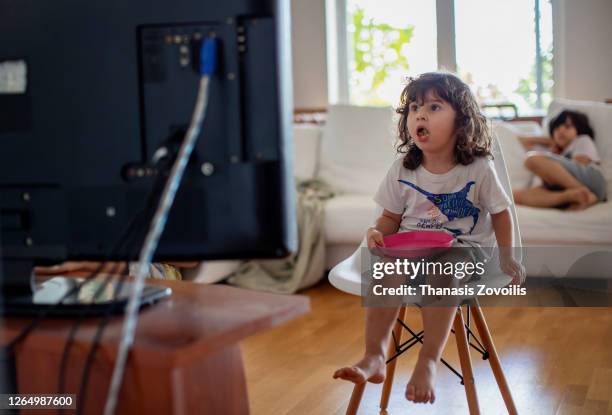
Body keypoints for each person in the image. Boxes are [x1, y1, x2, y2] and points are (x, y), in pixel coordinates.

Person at [332, 72, 525, 405]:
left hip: (464, 251)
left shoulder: (477, 167)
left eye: (434, 107)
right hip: (410, 249)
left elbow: (500, 213)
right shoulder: (402, 168)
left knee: (443, 271)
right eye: (414, 108)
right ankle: (374, 356)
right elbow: (391, 218)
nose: (419, 114)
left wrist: (507, 256)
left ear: (461, 121)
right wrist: (378, 232)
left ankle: (428, 361)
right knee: (384, 271)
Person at [513, 110, 606, 209]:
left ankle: (583, 192)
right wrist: (551, 141)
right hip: (563, 187)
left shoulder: (582, 140)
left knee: (531, 160)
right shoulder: (556, 151)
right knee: (515, 196)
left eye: (567, 126)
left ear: (579, 129)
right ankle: (570, 197)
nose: (561, 131)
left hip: (590, 180)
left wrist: (553, 167)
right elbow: (524, 141)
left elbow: (580, 163)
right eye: (557, 128)